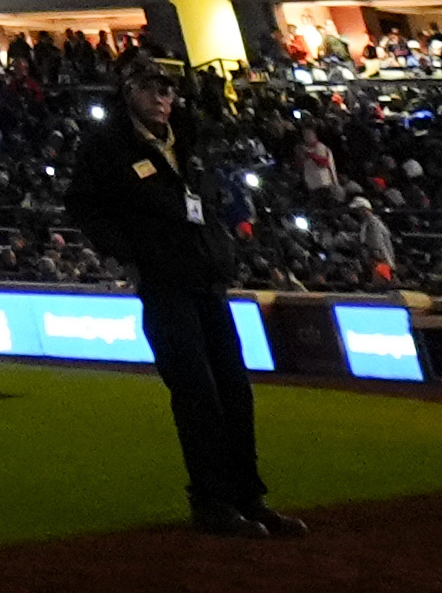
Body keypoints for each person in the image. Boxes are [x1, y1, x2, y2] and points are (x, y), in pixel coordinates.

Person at [64, 62, 300, 539]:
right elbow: (83, 206)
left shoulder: (186, 137)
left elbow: (208, 196)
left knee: (234, 389)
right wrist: (129, 255)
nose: (162, 98)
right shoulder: (106, 146)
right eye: (152, 89)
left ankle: (249, 498)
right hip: (164, 283)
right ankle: (212, 501)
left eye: (167, 90)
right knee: (197, 394)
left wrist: (221, 245)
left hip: (206, 276)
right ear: (129, 92)